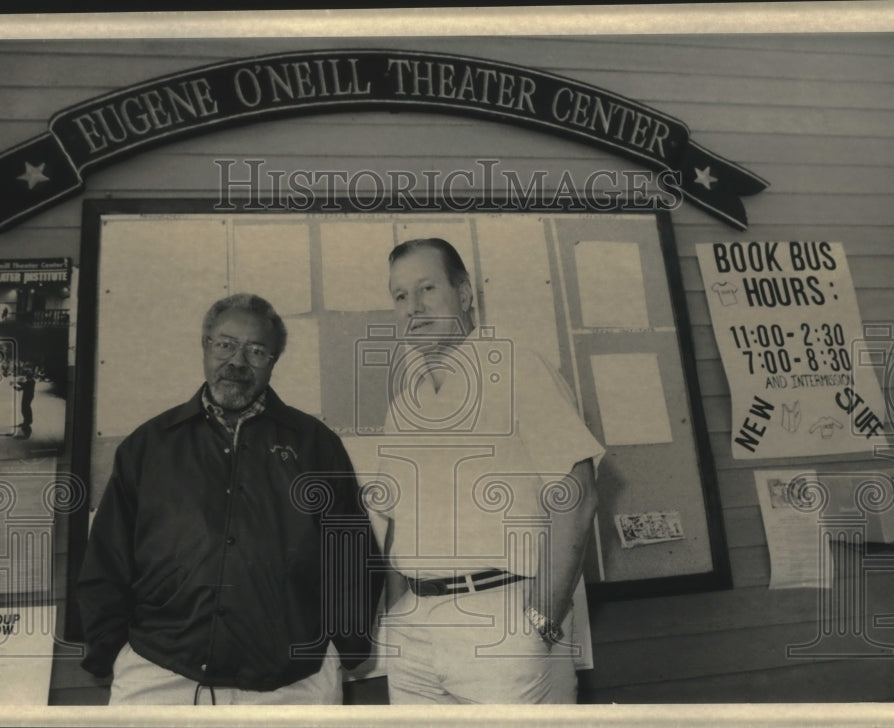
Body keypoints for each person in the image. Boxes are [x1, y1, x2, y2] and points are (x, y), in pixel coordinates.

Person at [77, 293, 381, 705]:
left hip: (289, 685)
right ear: (205, 346)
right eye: (225, 344)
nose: (237, 362)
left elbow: (353, 557)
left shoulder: (315, 446)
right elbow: (106, 559)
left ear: (273, 362)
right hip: (160, 675)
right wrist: (107, 649)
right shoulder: (149, 446)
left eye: (256, 351)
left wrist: (349, 646)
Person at [369, 238, 604, 704]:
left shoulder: (518, 367)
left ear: (465, 292)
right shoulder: (404, 405)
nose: (413, 307)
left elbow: (576, 498)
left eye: (427, 289)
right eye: (400, 296)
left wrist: (541, 620)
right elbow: (399, 524)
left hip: (502, 619)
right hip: (416, 630)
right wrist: (398, 614)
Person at [11, 364, 36, 439]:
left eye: (27, 377)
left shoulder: (31, 382)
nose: (26, 378)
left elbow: (22, 384)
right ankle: (26, 421)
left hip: (28, 397)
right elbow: (20, 389)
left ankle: (28, 422)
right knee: (24, 409)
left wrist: (15, 382)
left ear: (29, 377)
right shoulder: (29, 382)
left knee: (26, 409)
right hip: (26, 396)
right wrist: (14, 386)